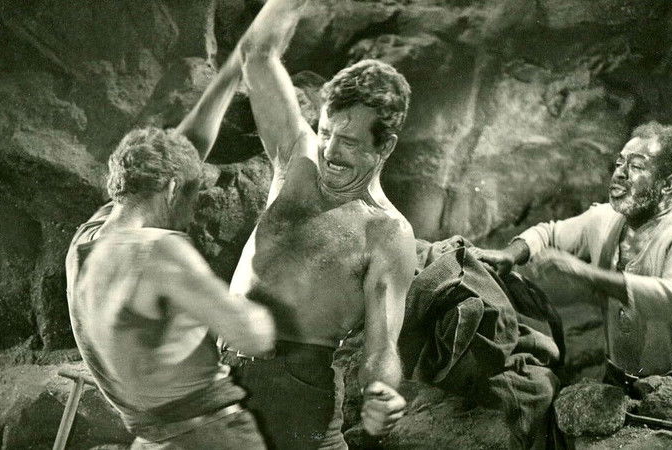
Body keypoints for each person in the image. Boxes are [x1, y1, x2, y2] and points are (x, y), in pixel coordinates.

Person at [64, 43, 277, 449]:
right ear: (174, 188)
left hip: (153, 437)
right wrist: (253, 310)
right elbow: (252, 337)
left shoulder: (86, 243)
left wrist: (233, 69)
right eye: (192, 197)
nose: (191, 214)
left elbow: (181, 149)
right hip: (210, 437)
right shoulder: (157, 250)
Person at [224, 0, 417, 447]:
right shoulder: (297, 157)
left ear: (385, 146)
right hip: (223, 377)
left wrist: (382, 392)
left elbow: (382, 345)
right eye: (326, 131)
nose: (329, 151)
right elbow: (257, 55)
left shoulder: (387, 232)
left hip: (296, 398)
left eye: (348, 141)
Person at [472, 122, 672, 422]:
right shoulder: (605, 219)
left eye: (636, 166)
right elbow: (549, 233)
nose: (620, 173)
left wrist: (585, 272)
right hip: (622, 383)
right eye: (619, 163)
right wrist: (510, 255)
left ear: (667, 185)